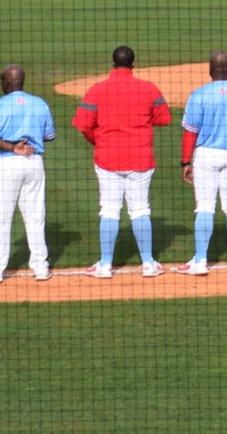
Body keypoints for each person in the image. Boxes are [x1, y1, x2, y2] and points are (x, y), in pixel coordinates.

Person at [73, 46, 171, 279]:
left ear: (113, 63)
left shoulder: (97, 90)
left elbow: (84, 124)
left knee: (109, 210)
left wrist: (98, 142)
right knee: (140, 210)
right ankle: (147, 263)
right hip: (140, 159)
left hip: (107, 158)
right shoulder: (148, 89)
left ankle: (106, 265)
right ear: (133, 64)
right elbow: (164, 118)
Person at [176, 50, 227, 276]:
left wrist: (185, 162)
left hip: (206, 156)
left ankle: (200, 261)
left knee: (204, 207)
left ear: (210, 69)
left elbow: (189, 132)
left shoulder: (199, 95)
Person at [0, 65, 54, 283]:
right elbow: (49, 136)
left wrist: (12, 147)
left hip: (6, 165)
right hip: (33, 163)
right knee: (35, 217)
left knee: (2, 218)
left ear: (6, 82)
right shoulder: (39, 103)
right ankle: (40, 268)